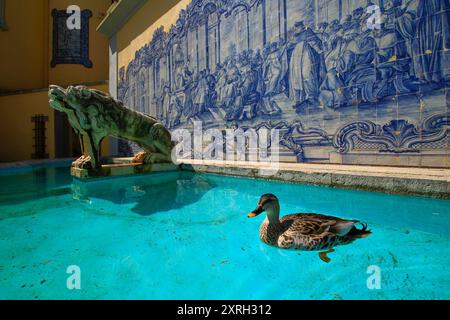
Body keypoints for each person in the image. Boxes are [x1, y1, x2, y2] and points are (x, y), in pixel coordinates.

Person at [288, 21, 326, 110]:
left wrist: (319, 50)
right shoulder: (295, 36)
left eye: (298, 26)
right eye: (296, 27)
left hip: (306, 54)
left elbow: (313, 41)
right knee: (296, 77)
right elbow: (291, 44)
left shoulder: (307, 32)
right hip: (296, 57)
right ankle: (299, 99)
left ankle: (312, 98)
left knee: (307, 74)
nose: (297, 28)